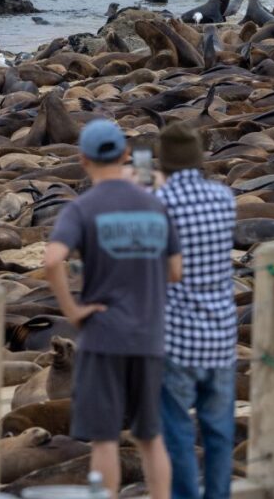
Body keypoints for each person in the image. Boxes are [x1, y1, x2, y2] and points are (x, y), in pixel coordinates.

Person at [44, 119, 181, 499]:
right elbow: (175, 271)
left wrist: (71, 310)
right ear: (124, 155)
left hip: (103, 337)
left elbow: (53, 260)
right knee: (151, 439)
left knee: (104, 441)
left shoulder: (82, 209)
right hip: (150, 336)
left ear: (83, 160)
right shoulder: (155, 205)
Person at [154, 123, 238, 499]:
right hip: (220, 334)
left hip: (176, 338)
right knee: (220, 432)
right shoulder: (224, 198)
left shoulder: (158, 203)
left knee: (177, 433)